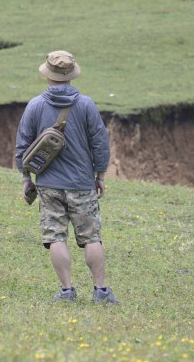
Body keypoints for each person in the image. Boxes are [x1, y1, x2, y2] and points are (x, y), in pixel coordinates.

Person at [14, 50, 118, 304]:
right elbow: (100, 144)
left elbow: (22, 146)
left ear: (48, 76)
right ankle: (101, 291)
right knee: (92, 237)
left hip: (48, 184)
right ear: (71, 76)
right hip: (82, 184)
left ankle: (67, 291)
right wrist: (100, 175)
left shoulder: (35, 105)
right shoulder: (86, 104)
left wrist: (26, 177)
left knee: (56, 237)